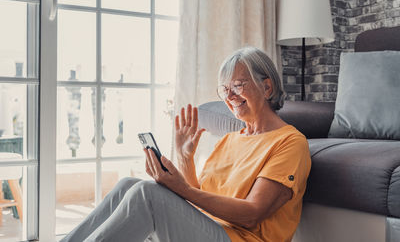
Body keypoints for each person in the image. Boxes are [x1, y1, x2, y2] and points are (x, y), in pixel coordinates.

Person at [61, 47, 311, 242]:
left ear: (267, 87)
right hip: (211, 230)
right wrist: (185, 157)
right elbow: (200, 197)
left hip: (240, 239)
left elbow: (252, 213)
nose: (230, 97)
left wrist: (182, 189)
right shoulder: (230, 139)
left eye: (238, 85)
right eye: (225, 89)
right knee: (129, 185)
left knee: (147, 195)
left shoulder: (289, 143)